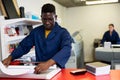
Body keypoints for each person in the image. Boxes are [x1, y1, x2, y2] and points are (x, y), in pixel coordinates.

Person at [2, 3, 72, 74]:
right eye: (44, 19)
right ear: (41, 17)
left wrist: (48, 64)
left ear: (55, 17)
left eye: (50, 19)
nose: (47, 22)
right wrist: (10, 57)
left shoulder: (63, 33)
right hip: (39, 69)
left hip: (57, 70)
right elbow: (24, 46)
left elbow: (66, 49)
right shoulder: (36, 32)